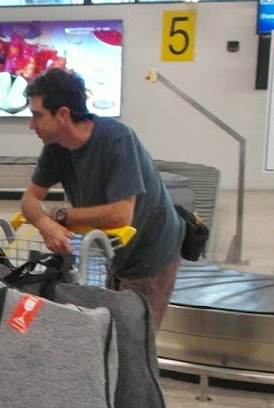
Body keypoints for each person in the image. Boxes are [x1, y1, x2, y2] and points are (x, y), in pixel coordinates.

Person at [19, 67, 182, 326]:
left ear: (63, 115)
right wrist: (44, 223)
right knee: (113, 332)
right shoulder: (55, 148)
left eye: (37, 115)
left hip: (151, 252)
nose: (31, 125)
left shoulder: (118, 139)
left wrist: (61, 216)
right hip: (116, 253)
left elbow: (121, 214)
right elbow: (29, 200)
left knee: (135, 339)